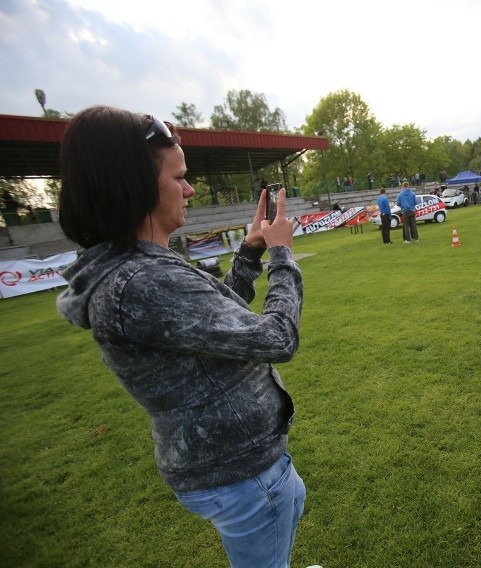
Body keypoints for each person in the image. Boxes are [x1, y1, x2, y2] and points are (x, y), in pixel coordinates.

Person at [55, 106, 305, 567]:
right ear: (135, 187)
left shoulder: (141, 269)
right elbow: (276, 338)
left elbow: (214, 325)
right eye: (179, 178)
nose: (190, 190)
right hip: (241, 474)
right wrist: (282, 256)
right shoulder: (142, 282)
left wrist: (250, 254)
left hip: (239, 468)